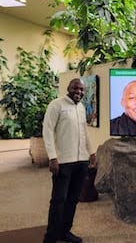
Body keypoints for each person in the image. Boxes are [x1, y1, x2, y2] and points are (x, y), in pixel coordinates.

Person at [42, 78, 96, 243]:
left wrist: (91, 152)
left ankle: (64, 231)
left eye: (82, 90)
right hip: (63, 162)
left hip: (81, 161)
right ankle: (51, 237)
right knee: (59, 200)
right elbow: (48, 131)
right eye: (76, 88)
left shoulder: (80, 107)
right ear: (68, 88)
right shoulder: (56, 105)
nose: (79, 92)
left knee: (73, 199)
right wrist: (52, 157)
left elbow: (85, 132)